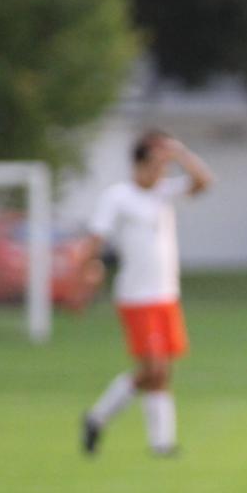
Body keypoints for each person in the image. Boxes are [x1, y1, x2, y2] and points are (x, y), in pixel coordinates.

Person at [80, 131, 213, 459]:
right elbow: (97, 237)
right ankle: (98, 415)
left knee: (163, 372)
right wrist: (88, 267)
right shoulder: (119, 197)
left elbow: (203, 182)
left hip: (166, 293)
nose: (162, 173)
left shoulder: (163, 193)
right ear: (139, 165)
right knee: (153, 367)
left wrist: (180, 153)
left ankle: (161, 443)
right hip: (137, 296)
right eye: (156, 164)